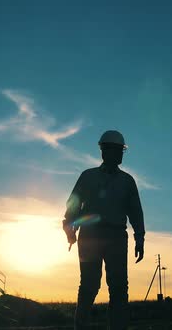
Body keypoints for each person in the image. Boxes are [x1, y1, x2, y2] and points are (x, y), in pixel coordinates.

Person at [63, 130, 145, 330]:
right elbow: (73, 206)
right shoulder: (88, 176)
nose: (119, 154)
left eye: (120, 151)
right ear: (104, 151)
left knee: (118, 289)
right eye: (116, 150)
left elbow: (135, 211)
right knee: (89, 286)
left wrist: (139, 237)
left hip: (116, 236)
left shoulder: (127, 181)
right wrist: (69, 228)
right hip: (90, 236)